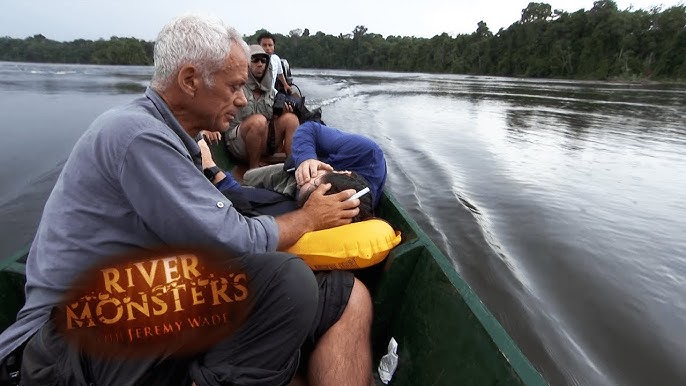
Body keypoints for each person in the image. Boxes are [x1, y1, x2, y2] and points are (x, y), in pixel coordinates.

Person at [0, 14, 373, 386]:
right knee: (286, 281)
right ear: (190, 80)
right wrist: (308, 218)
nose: (242, 98)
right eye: (234, 86)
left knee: (348, 296)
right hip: (64, 349)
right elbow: (233, 239)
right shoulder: (138, 134)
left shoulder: (167, 135)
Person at [244, 120, 388, 209]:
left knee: (247, 198)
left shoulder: (350, 208)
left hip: (301, 200)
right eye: (315, 182)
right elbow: (309, 129)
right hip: (299, 170)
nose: (303, 183)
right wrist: (306, 159)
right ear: (343, 172)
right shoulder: (365, 153)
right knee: (247, 178)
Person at [223, 44, 300, 170]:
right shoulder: (237, 86)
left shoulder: (271, 91)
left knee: (291, 119)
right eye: (255, 60)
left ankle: (293, 165)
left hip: (263, 142)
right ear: (247, 63)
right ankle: (254, 168)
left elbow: (272, 121)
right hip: (238, 143)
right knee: (258, 121)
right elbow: (218, 106)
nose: (260, 64)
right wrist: (209, 128)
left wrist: (283, 112)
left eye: (263, 61)